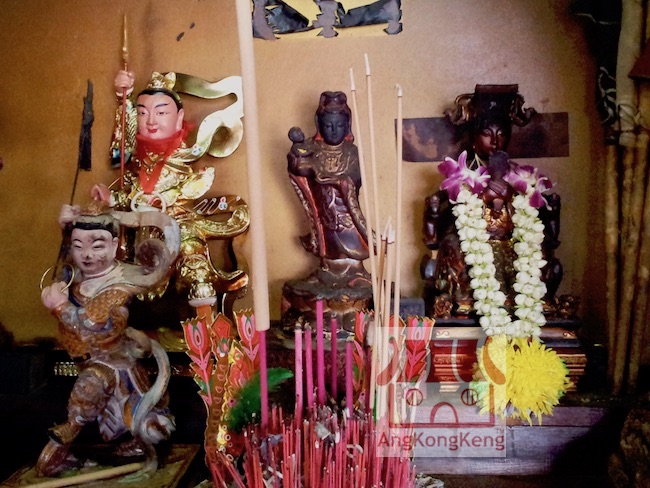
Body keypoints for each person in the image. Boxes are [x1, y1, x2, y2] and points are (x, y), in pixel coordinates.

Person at [36, 201, 180, 479]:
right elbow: (66, 264)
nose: (87, 255)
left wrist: (59, 307)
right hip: (87, 357)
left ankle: (67, 439)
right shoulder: (79, 273)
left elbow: (91, 326)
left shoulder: (119, 283)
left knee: (91, 392)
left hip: (113, 363)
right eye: (79, 246)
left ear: (115, 246)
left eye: (97, 245)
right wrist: (65, 228)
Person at [94, 70, 249, 317]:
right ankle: (109, 321)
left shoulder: (182, 157)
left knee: (193, 258)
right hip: (138, 227)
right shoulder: (137, 161)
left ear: (179, 120)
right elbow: (122, 166)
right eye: (143, 113)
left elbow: (187, 187)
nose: (151, 121)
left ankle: (206, 324)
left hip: (175, 223)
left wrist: (166, 198)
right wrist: (124, 99)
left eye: (161, 113)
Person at [422, 85, 565, 318]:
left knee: (537, 246)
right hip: (475, 243)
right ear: (474, 139)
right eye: (487, 134)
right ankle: (463, 302)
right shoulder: (462, 175)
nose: (495, 141)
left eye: (502, 134)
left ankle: (534, 303)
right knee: (454, 246)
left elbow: (534, 216)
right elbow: (448, 219)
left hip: (512, 240)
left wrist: (512, 196)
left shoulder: (521, 176)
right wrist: (483, 197)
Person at [287, 91, 370, 286]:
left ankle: (355, 271)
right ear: (319, 125)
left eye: (339, 125)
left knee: (351, 239)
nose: (334, 130)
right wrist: (298, 155)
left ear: (347, 126)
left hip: (345, 208)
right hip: (324, 208)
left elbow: (356, 176)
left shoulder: (351, 151)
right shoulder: (314, 149)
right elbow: (299, 167)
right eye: (328, 125)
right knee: (327, 239)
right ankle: (327, 271)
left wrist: (338, 181)